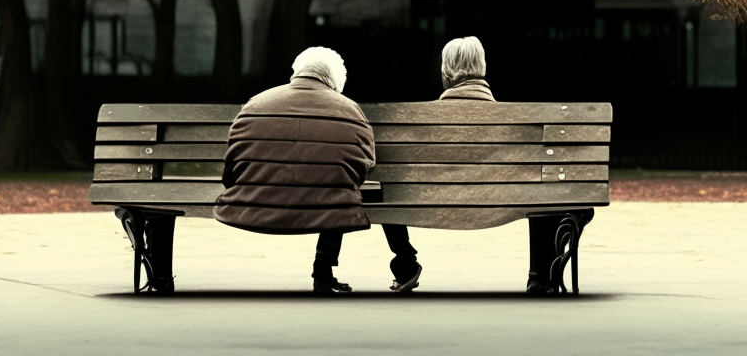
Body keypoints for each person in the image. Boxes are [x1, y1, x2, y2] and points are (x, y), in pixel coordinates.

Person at [215, 47, 421, 293]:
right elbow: (361, 171)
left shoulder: (255, 104)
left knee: (334, 183)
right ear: (335, 81)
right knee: (335, 185)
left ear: (297, 71)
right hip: (327, 207)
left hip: (252, 206)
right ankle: (324, 269)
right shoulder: (351, 110)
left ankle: (160, 275)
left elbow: (231, 171)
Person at [438, 36, 589, 293]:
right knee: (551, 193)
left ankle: (405, 262)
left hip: (437, 199)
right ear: (482, 67)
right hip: (504, 197)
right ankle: (540, 276)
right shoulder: (512, 119)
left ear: (445, 70)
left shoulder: (425, 117)